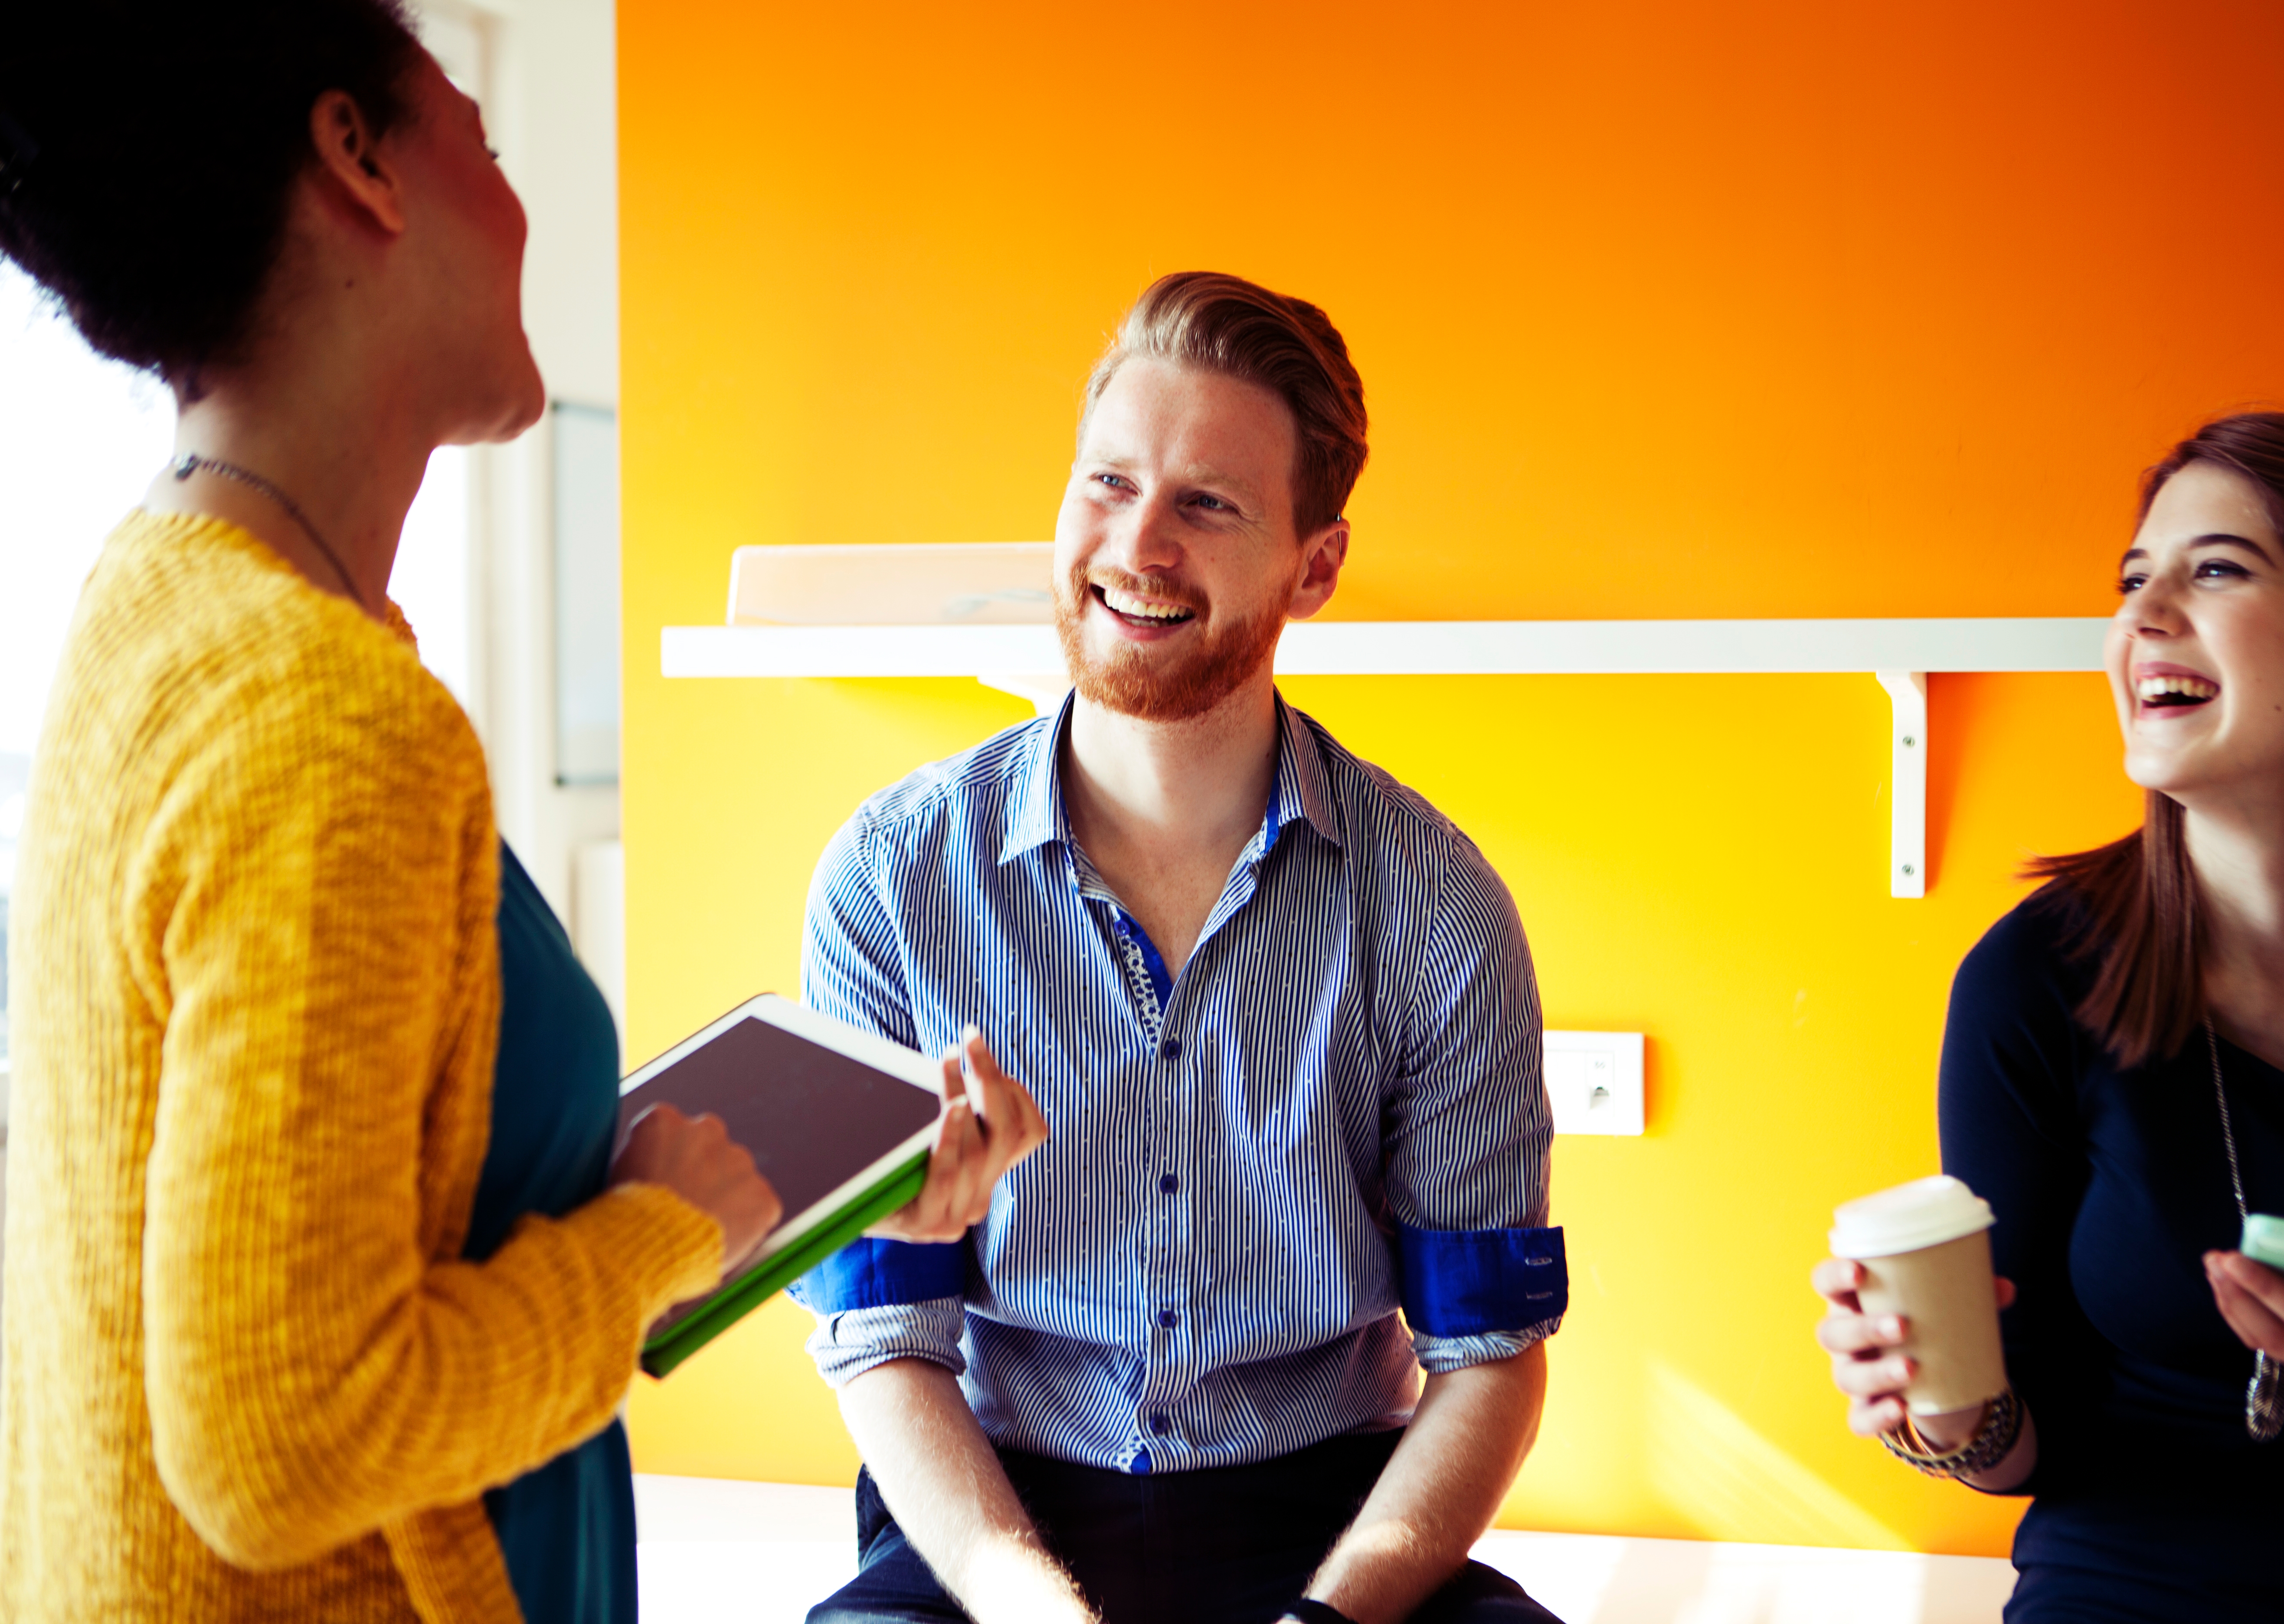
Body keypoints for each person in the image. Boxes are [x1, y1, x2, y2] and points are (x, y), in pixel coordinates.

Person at [0, 6, 1033, 1620]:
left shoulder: (163, 606)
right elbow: (283, 1439)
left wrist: (706, 1205)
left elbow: (339, 1216)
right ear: (360, 163)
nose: (522, 204)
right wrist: (640, 1240)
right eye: (482, 142)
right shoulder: (319, 713)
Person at [786, 271, 1568, 1624]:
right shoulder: (895, 878)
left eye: (1208, 504)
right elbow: (880, 1341)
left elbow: (1490, 1355)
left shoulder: (1437, 910)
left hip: (1331, 1525)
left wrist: (1329, 1620)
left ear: (1313, 566)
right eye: (1108, 483)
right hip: (998, 1522)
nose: (1138, 546)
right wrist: (1034, 1608)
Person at [1811, 406, 2284, 1620]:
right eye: (2134, 579)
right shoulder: (2034, 980)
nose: (2141, 620)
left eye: (2216, 570)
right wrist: (1939, 1402)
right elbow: (2022, 1443)